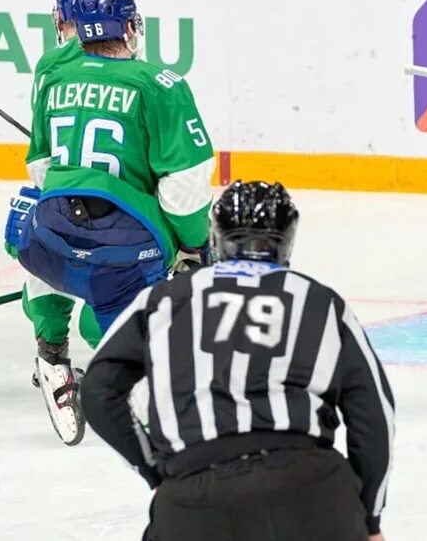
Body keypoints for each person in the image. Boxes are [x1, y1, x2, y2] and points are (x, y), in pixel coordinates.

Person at [81, 180, 395, 541]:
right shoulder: (320, 301)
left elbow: (98, 388)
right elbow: (375, 414)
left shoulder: (164, 299)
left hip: (195, 500)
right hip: (312, 491)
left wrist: (156, 468)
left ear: (217, 236)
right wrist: (369, 518)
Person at [6, 0, 216, 343]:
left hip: (49, 244)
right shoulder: (159, 84)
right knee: (129, 310)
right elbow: (185, 189)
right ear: (130, 28)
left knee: (34, 209)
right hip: (123, 254)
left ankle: (50, 347)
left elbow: (41, 168)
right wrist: (195, 244)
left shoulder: (56, 76)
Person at [13, 0, 105, 447]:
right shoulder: (139, 66)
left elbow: (40, 160)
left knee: (34, 237)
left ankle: (52, 354)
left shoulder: (51, 66)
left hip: (68, 204)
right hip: (131, 213)